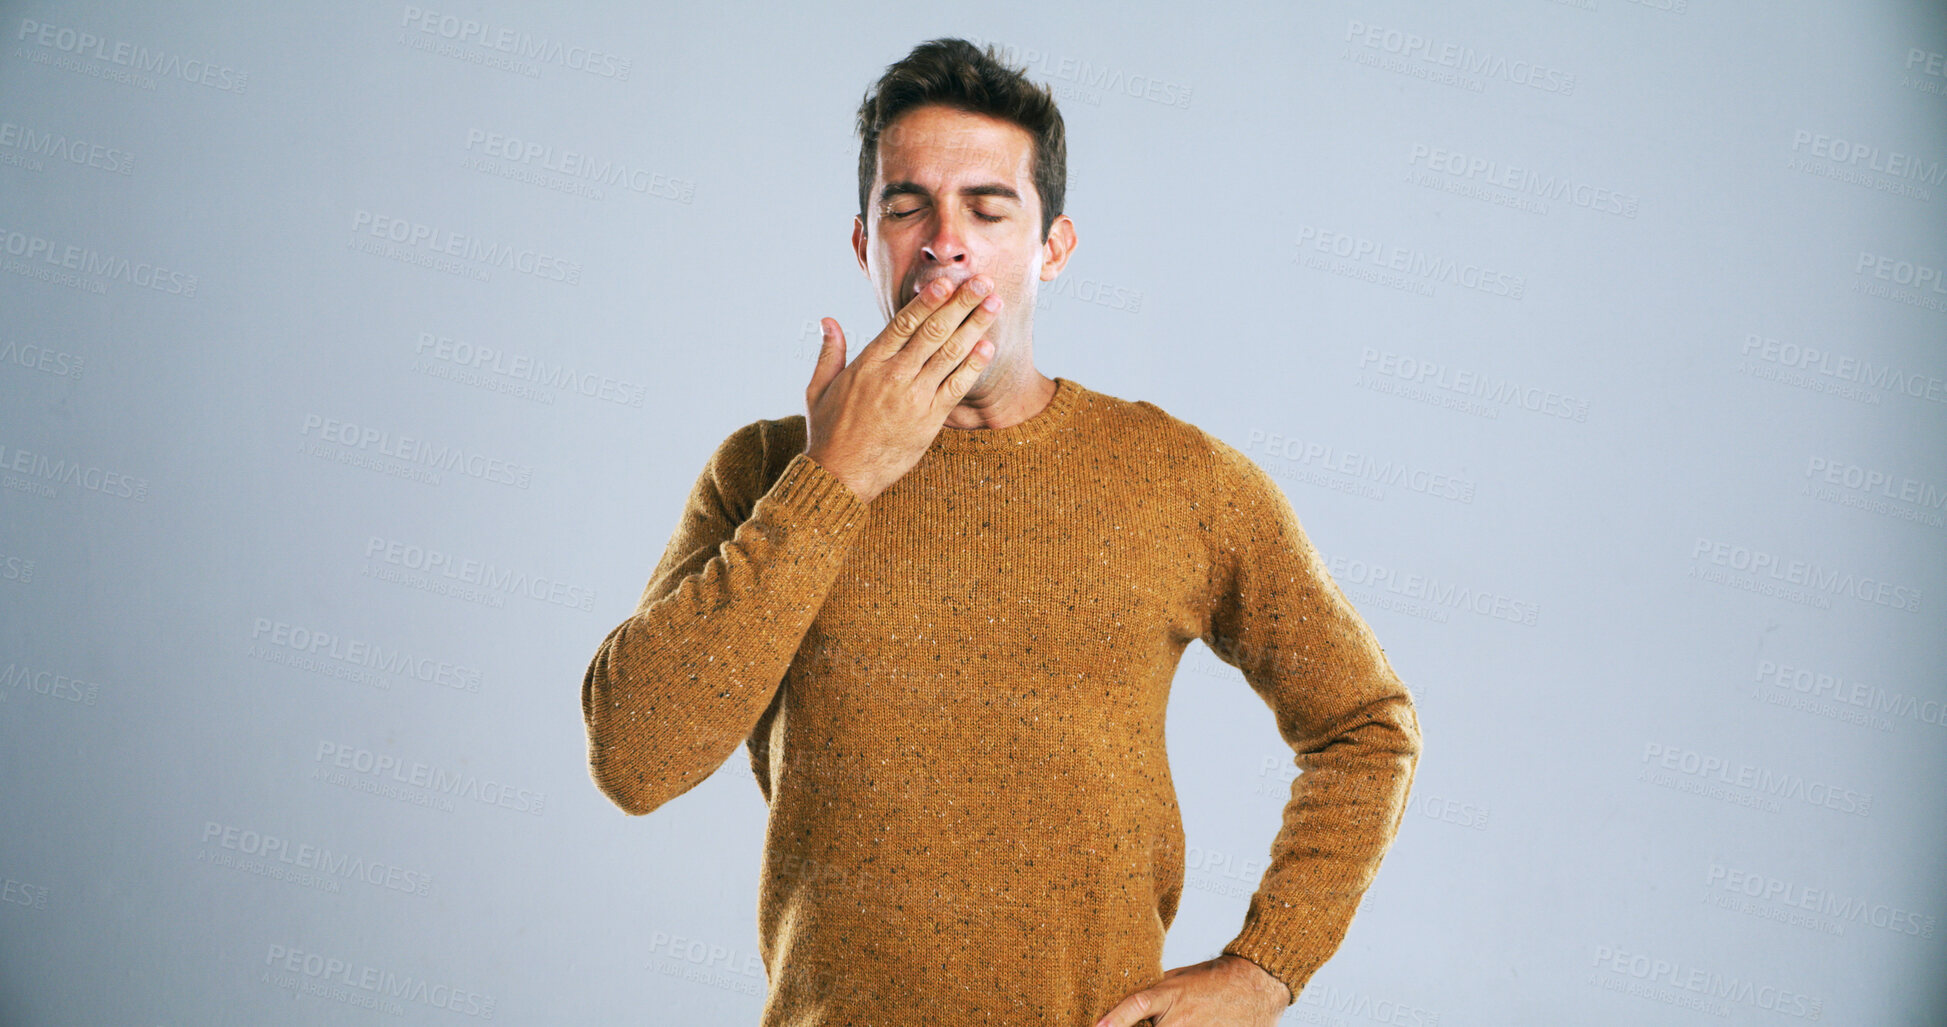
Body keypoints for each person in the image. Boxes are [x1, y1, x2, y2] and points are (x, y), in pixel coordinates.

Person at [581, 37, 1422, 1027]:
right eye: (907, 207)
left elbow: (1365, 726)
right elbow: (635, 758)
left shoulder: (1179, 479)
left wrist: (1266, 967)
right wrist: (833, 480)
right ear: (864, 243)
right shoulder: (766, 470)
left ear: (1051, 248)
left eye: (988, 209)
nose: (945, 241)